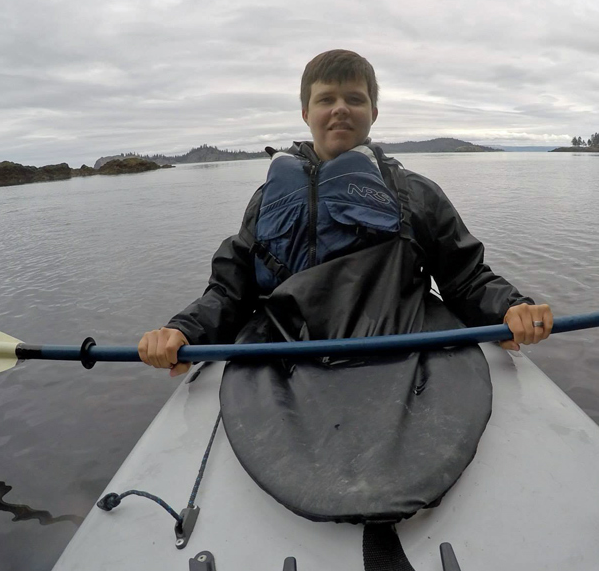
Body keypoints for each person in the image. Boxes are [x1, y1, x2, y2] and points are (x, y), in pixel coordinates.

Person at [139, 49, 553, 376]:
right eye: (326, 100)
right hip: (286, 362)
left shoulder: (417, 194)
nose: (340, 109)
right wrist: (183, 330)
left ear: (373, 112)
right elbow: (230, 292)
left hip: (401, 353)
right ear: (306, 114)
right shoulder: (267, 199)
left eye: (355, 99)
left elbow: (466, 279)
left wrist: (511, 307)